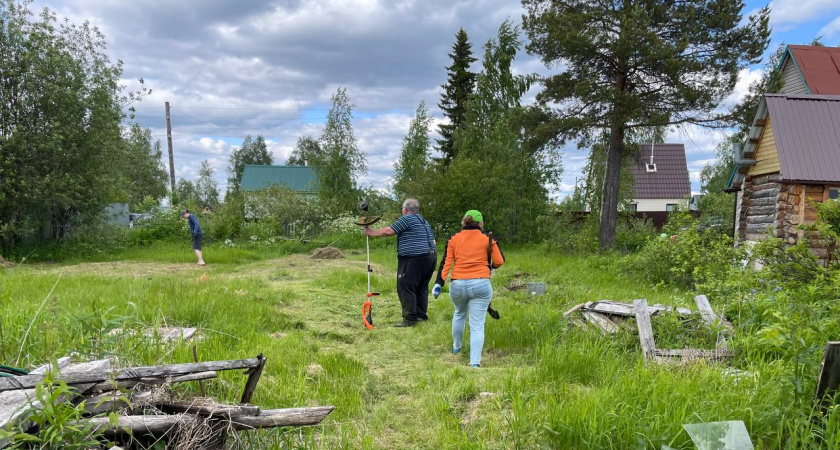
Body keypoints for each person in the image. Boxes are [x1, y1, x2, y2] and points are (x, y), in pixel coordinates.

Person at [433, 210, 504, 368]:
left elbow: (446, 263)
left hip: (457, 285)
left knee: (459, 314)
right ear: (480, 223)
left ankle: (456, 348)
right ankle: (474, 363)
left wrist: (439, 283)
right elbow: (499, 261)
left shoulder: (454, 239)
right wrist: (490, 266)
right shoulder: (488, 239)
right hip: (481, 284)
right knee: (477, 324)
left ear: (464, 222)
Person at [363, 198, 437, 327]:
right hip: (430, 257)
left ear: (406, 209)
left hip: (414, 259)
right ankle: (420, 316)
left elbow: (389, 231)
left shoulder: (407, 219)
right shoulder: (423, 221)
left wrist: (371, 232)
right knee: (421, 287)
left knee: (405, 286)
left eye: (402, 208)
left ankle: (409, 319)